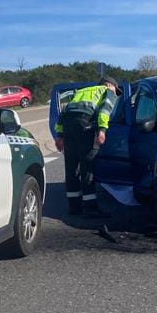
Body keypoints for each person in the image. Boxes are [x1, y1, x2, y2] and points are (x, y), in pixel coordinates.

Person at [54, 76, 122, 216]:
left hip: (69, 125)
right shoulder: (106, 91)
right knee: (87, 166)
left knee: (72, 167)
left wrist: (60, 135)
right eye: (116, 90)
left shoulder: (82, 91)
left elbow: (65, 112)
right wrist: (102, 130)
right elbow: (105, 110)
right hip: (85, 124)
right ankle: (90, 208)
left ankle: (74, 208)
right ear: (109, 85)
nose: (116, 94)